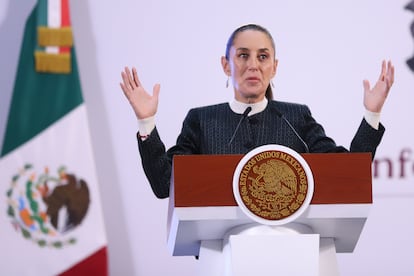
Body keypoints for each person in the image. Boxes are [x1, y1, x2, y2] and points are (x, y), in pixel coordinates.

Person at [120, 24, 394, 199]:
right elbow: (164, 184)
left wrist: (372, 115)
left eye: (263, 57)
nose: (253, 65)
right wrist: (146, 122)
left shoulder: (296, 118)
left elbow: (344, 173)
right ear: (226, 65)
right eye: (242, 55)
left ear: (274, 67)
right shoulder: (201, 120)